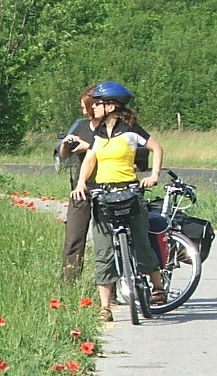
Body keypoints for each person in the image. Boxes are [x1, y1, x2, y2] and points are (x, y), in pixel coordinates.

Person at [69, 81, 166, 322]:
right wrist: (82, 183)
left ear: (111, 106)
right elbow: (90, 158)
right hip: (103, 194)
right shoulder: (99, 133)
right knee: (103, 250)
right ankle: (105, 307)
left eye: (98, 104)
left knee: (142, 243)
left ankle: (157, 287)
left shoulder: (131, 130)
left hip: (129, 192)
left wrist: (153, 175)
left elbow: (156, 148)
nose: (94, 108)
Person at [57, 85, 99, 284]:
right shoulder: (80, 126)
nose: (83, 111)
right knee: (74, 237)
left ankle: (110, 287)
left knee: (107, 241)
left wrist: (89, 147)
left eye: (85, 106)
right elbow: (64, 155)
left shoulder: (110, 128)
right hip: (80, 189)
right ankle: (69, 282)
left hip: (104, 186)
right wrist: (66, 144)